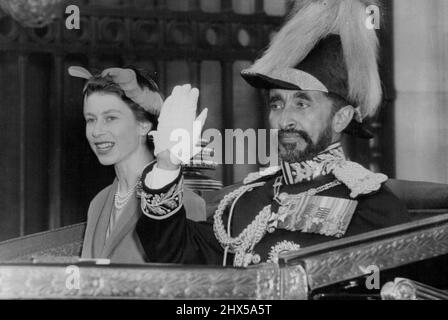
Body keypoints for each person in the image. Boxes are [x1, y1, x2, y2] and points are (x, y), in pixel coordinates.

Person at [134, 0, 412, 267]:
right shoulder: (245, 200)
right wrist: (167, 166)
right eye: (277, 103)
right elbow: (175, 254)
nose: (285, 118)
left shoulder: (371, 205)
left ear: (341, 118)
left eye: (302, 103)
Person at [68, 66, 206, 263]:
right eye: (91, 119)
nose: (96, 131)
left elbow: (188, 286)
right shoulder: (98, 203)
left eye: (110, 118)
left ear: (143, 124)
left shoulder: (184, 202)